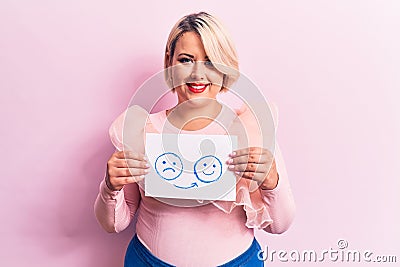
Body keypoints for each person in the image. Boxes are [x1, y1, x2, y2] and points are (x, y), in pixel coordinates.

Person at [94, 12, 295, 266]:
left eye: (211, 62)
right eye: (186, 60)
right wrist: (110, 187)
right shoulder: (141, 129)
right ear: (169, 62)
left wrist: (271, 182)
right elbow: (114, 223)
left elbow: (280, 225)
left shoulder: (251, 128)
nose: (198, 74)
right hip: (148, 261)